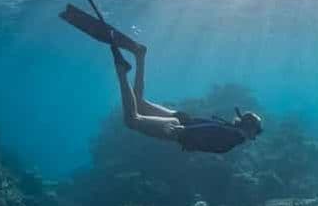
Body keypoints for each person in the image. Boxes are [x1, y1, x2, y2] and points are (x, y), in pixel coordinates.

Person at [108, 34, 262, 153]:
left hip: (185, 120)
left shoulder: (234, 133)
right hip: (178, 129)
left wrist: (188, 129)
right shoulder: (234, 136)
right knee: (132, 120)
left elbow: (213, 128)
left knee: (139, 102)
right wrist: (186, 130)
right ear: (249, 128)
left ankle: (140, 55)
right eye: (257, 130)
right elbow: (212, 129)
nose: (256, 135)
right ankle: (122, 72)